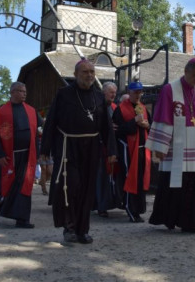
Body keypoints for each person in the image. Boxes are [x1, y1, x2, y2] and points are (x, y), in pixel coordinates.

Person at [40, 59, 117, 244]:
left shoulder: (99, 97)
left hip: (92, 148)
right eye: (85, 72)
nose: (89, 75)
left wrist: (111, 150)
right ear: (76, 74)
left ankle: (83, 230)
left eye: (92, 71)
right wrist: (46, 148)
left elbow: (106, 126)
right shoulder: (64, 94)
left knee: (87, 189)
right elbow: (51, 121)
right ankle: (70, 228)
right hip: (68, 147)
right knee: (70, 187)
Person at [145, 57, 195, 233]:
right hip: (175, 146)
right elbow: (163, 117)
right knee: (173, 184)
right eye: (193, 76)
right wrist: (160, 147)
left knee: (192, 185)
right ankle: (170, 219)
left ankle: (189, 221)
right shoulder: (170, 89)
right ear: (185, 71)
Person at [0, 83, 41, 228]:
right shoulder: (3, 112)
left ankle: (22, 219)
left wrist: (38, 152)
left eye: (25, 91)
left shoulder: (31, 110)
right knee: (7, 185)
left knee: (25, 184)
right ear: (12, 92)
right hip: (10, 156)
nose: (24, 94)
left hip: (28, 155)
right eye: (21, 91)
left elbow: (36, 133)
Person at [113, 81, 151, 223]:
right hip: (128, 149)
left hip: (142, 149)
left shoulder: (143, 108)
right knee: (131, 178)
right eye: (135, 92)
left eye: (140, 92)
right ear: (129, 92)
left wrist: (147, 125)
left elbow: (149, 126)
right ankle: (130, 209)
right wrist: (134, 121)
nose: (138, 94)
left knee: (141, 180)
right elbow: (118, 130)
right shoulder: (121, 109)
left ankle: (138, 210)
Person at [94, 81, 123, 217]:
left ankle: (106, 204)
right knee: (100, 177)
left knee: (107, 177)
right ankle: (100, 206)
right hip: (98, 146)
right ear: (104, 92)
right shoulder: (96, 106)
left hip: (110, 147)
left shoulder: (114, 107)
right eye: (111, 92)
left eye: (115, 92)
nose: (114, 95)